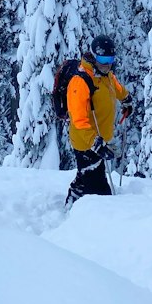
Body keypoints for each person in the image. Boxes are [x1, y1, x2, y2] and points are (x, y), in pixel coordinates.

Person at [64, 33, 135, 208]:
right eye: (103, 58)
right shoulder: (80, 82)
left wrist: (126, 99)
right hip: (85, 142)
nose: (107, 63)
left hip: (99, 139)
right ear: (94, 56)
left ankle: (72, 202)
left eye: (110, 58)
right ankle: (98, 221)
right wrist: (95, 143)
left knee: (87, 175)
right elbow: (78, 119)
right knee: (100, 192)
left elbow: (115, 87)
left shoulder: (106, 74)